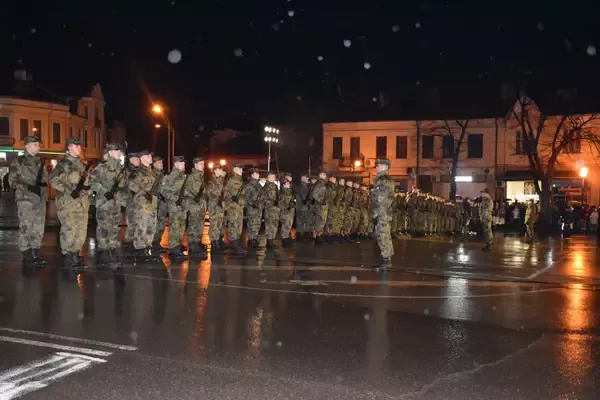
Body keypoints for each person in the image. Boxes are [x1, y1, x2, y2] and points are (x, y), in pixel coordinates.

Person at [49, 137, 92, 269]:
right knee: (69, 229)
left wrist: (88, 190)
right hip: (68, 203)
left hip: (82, 203)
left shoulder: (83, 165)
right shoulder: (63, 165)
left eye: (80, 146)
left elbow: (89, 182)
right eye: (76, 146)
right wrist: (69, 190)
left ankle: (75, 253)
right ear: (69, 148)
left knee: (81, 230)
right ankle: (68, 254)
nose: (80, 148)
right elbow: (53, 180)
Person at [8, 135, 48, 265]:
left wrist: (42, 190)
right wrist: (28, 187)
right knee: (26, 227)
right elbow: (12, 181)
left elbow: (45, 180)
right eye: (35, 144)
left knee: (38, 227)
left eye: (38, 144)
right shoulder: (18, 162)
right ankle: (27, 255)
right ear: (27, 146)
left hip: (40, 198)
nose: (38, 147)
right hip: (25, 199)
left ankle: (35, 254)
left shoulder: (40, 162)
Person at [89, 142, 126, 268]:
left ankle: (112, 251)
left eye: (119, 150)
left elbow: (122, 186)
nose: (119, 152)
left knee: (114, 228)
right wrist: (104, 192)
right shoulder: (102, 168)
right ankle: (105, 253)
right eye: (116, 150)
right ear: (110, 152)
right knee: (104, 228)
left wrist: (121, 196)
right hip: (104, 204)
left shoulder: (120, 169)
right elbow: (92, 182)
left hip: (116, 203)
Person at [128, 150, 160, 261]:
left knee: (151, 227)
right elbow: (132, 187)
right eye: (148, 155)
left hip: (152, 204)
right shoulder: (138, 172)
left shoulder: (152, 172)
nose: (150, 157)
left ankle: (148, 248)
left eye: (150, 155)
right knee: (142, 227)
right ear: (141, 158)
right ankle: (141, 251)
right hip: (142, 204)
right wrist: (144, 192)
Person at [159, 155, 188, 259]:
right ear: (176, 164)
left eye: (184, 163)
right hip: (174, 205)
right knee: (175, 225)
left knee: (181, 226)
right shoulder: (172, 176)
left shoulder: (182, 175)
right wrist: (174, 198)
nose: (184, 165)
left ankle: (177, 245)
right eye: (182, 163)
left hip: (182, 206)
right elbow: (163, 190)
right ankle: (173, 248)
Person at [371, 158, 395, 270]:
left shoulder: (382, 179)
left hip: (382, 212)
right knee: (385, 235)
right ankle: (387, 259)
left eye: (378, 165)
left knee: (382, 235)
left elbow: (380, 199)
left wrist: (376, 214)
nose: (376, 167)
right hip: (385, 211)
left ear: (383, 166)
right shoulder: (387, 179)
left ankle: (386, 261)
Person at [185, 157, 208, 257]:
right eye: (201, 164)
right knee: (193, 225)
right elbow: (189, 191)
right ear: (195, 165)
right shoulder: (192, 176)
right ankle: (192, 245)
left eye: (203, 164)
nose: (203, 166)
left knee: (199, 226)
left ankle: (197, 242)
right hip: (194, 206)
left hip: (201, 206)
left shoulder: (201, 176)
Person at [224, 163, 246, 254]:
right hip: (233, 206)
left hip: (238, 206)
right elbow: (234, 195)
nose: (242, 170)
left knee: (238, 224)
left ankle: (236, 241)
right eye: (240, 169)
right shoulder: (233, 180)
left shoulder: (239, 179)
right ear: (235, 169)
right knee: (234, 224)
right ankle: (234, 242)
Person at [206, 164, 226, 253]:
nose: (221, 171)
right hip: (214, 205)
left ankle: (217, 241)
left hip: (220, 205)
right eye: (219, 169)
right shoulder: (211, 181)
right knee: (214, 224)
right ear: (215, 170)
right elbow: (209, 193)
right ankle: (213, 242)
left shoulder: (220, 180)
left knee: (219, 224)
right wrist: (218, 196)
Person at [123, 153, 140, 247]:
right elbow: (123, 185)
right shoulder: (126, 171)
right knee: (132, 220)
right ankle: (129, 240)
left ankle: (136, 239)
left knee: (138, 221)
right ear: (131, 160)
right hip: (131, 199)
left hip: (139, 199)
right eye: (136, 158)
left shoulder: (139, 171)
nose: (138, 160)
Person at [244, 168, 263, 249]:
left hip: (259, 207)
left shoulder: (258, 185)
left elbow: (263, 195)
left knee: (257, 224)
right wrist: (252, 204)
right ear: (252, 175)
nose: (258, 175)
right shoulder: (249, 185)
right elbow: (246, 196)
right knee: (252, 224)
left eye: (258, 173)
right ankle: (251, 240)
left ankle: (254, 238)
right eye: (256, 173)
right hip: (252, 208)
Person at [151, 156, 167, 251]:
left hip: (162, 204)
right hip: (156, 203)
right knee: (155, 225)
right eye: (159, 162)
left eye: (162, 162)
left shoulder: (162, 175)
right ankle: (153, 243)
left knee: (161, 224)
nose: (161, 164)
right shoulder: (153, 175)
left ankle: (157, 242)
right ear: (154, 164)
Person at [262, 171, 280, 249]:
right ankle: (269, 242)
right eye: (272, 176)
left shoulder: (275, 186)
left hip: (275, 209)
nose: (274, 178)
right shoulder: (266, 187)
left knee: (275, 225)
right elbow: (263, 198)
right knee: (270, 225)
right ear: (268, 177)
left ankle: (272, 240)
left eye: (274, 176)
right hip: (269, 209)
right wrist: (271, 202)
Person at [310, 170, 328, 245]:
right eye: (323, 174)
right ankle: (318, 238)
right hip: (319, 205)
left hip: (323, 205)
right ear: (320, 175)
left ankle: (319, 237)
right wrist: (320, 200)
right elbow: (314, 193)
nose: (324, 176)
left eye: (325, 174)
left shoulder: (323, 183)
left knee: (321, 221)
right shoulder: (319, 183)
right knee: (320, 221)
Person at [279, 177, 295, 247]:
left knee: (289, 225)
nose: (289, 185)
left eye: (289, 183)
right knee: (285, 225)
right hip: (285, 212)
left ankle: (287, 237)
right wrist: (287, 206)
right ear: (283, 185)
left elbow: (292, 200)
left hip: (290, 212)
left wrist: (292, 204)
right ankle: (284, 239)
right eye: (287, 183)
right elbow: (281, 203)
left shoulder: (290, 192)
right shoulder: (282, 193)